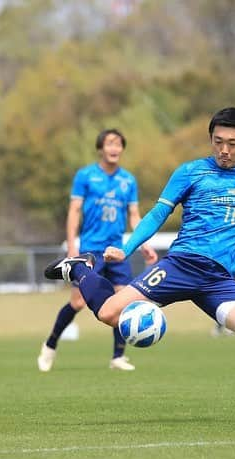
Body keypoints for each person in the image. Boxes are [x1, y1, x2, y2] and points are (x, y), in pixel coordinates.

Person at [44, 107, 235, 425]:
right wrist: (126, 249)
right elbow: (156, 214)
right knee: (110, 314)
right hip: (181, 265)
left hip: (218, 280)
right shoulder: (190, 172)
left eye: (233, 143)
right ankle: (80, 269)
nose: (224, 149)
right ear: (211, 139)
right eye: (218, 141)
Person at [37, 129, 158, 372]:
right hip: (90, 250)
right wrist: (72, 245)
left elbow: (134, 216)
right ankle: (50, 345)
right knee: (79, 302)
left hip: (117, 250)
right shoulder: (86, 176)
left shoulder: (128, 180)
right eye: (109, 143)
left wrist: (144, 243)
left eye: (118, 144)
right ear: (100, 148)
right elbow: (74, 211)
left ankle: (117, 357)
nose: (114, 148)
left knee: (123, 300)